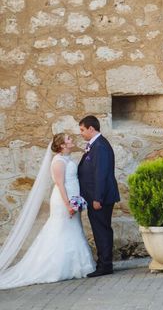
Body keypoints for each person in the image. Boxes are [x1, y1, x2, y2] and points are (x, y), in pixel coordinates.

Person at [0, 133, 95, 289]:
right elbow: (60, 185)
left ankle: (74, 266)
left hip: (72, 198)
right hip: (63, 201)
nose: (72, 140)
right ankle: (54, 268)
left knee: (73, 230)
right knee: (60, 230)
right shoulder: (58, 162)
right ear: (62, 145)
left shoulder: (68, 158)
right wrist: (68, 204)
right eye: (68, 139)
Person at [78, 115, 120, 277]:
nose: (81, 133)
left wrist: (97, 198)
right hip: (95, 197)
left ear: (91, 128)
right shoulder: (94, 145)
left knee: (102, 231)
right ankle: (103, 263)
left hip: (99, 198)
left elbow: (101, 174)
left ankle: (105, 265)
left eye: (82, 130)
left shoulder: (100, 146)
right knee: (100, 230)